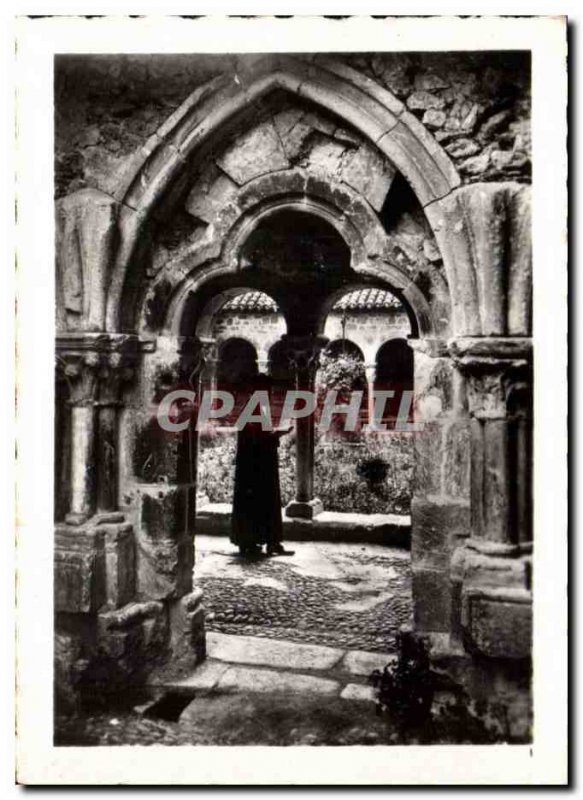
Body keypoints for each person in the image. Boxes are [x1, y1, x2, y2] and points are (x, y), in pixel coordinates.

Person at [230, 374, 294, 558]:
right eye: (267, 390)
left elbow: (257, 436)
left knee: (261, 503)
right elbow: (254, 440)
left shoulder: (257, 407)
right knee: (261, 502)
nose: (270, 393)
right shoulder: (254, 407)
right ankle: (259, 542)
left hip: (257, 466)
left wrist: (273, 435)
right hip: (256, 468)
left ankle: (263, 542)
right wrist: (277, 435)